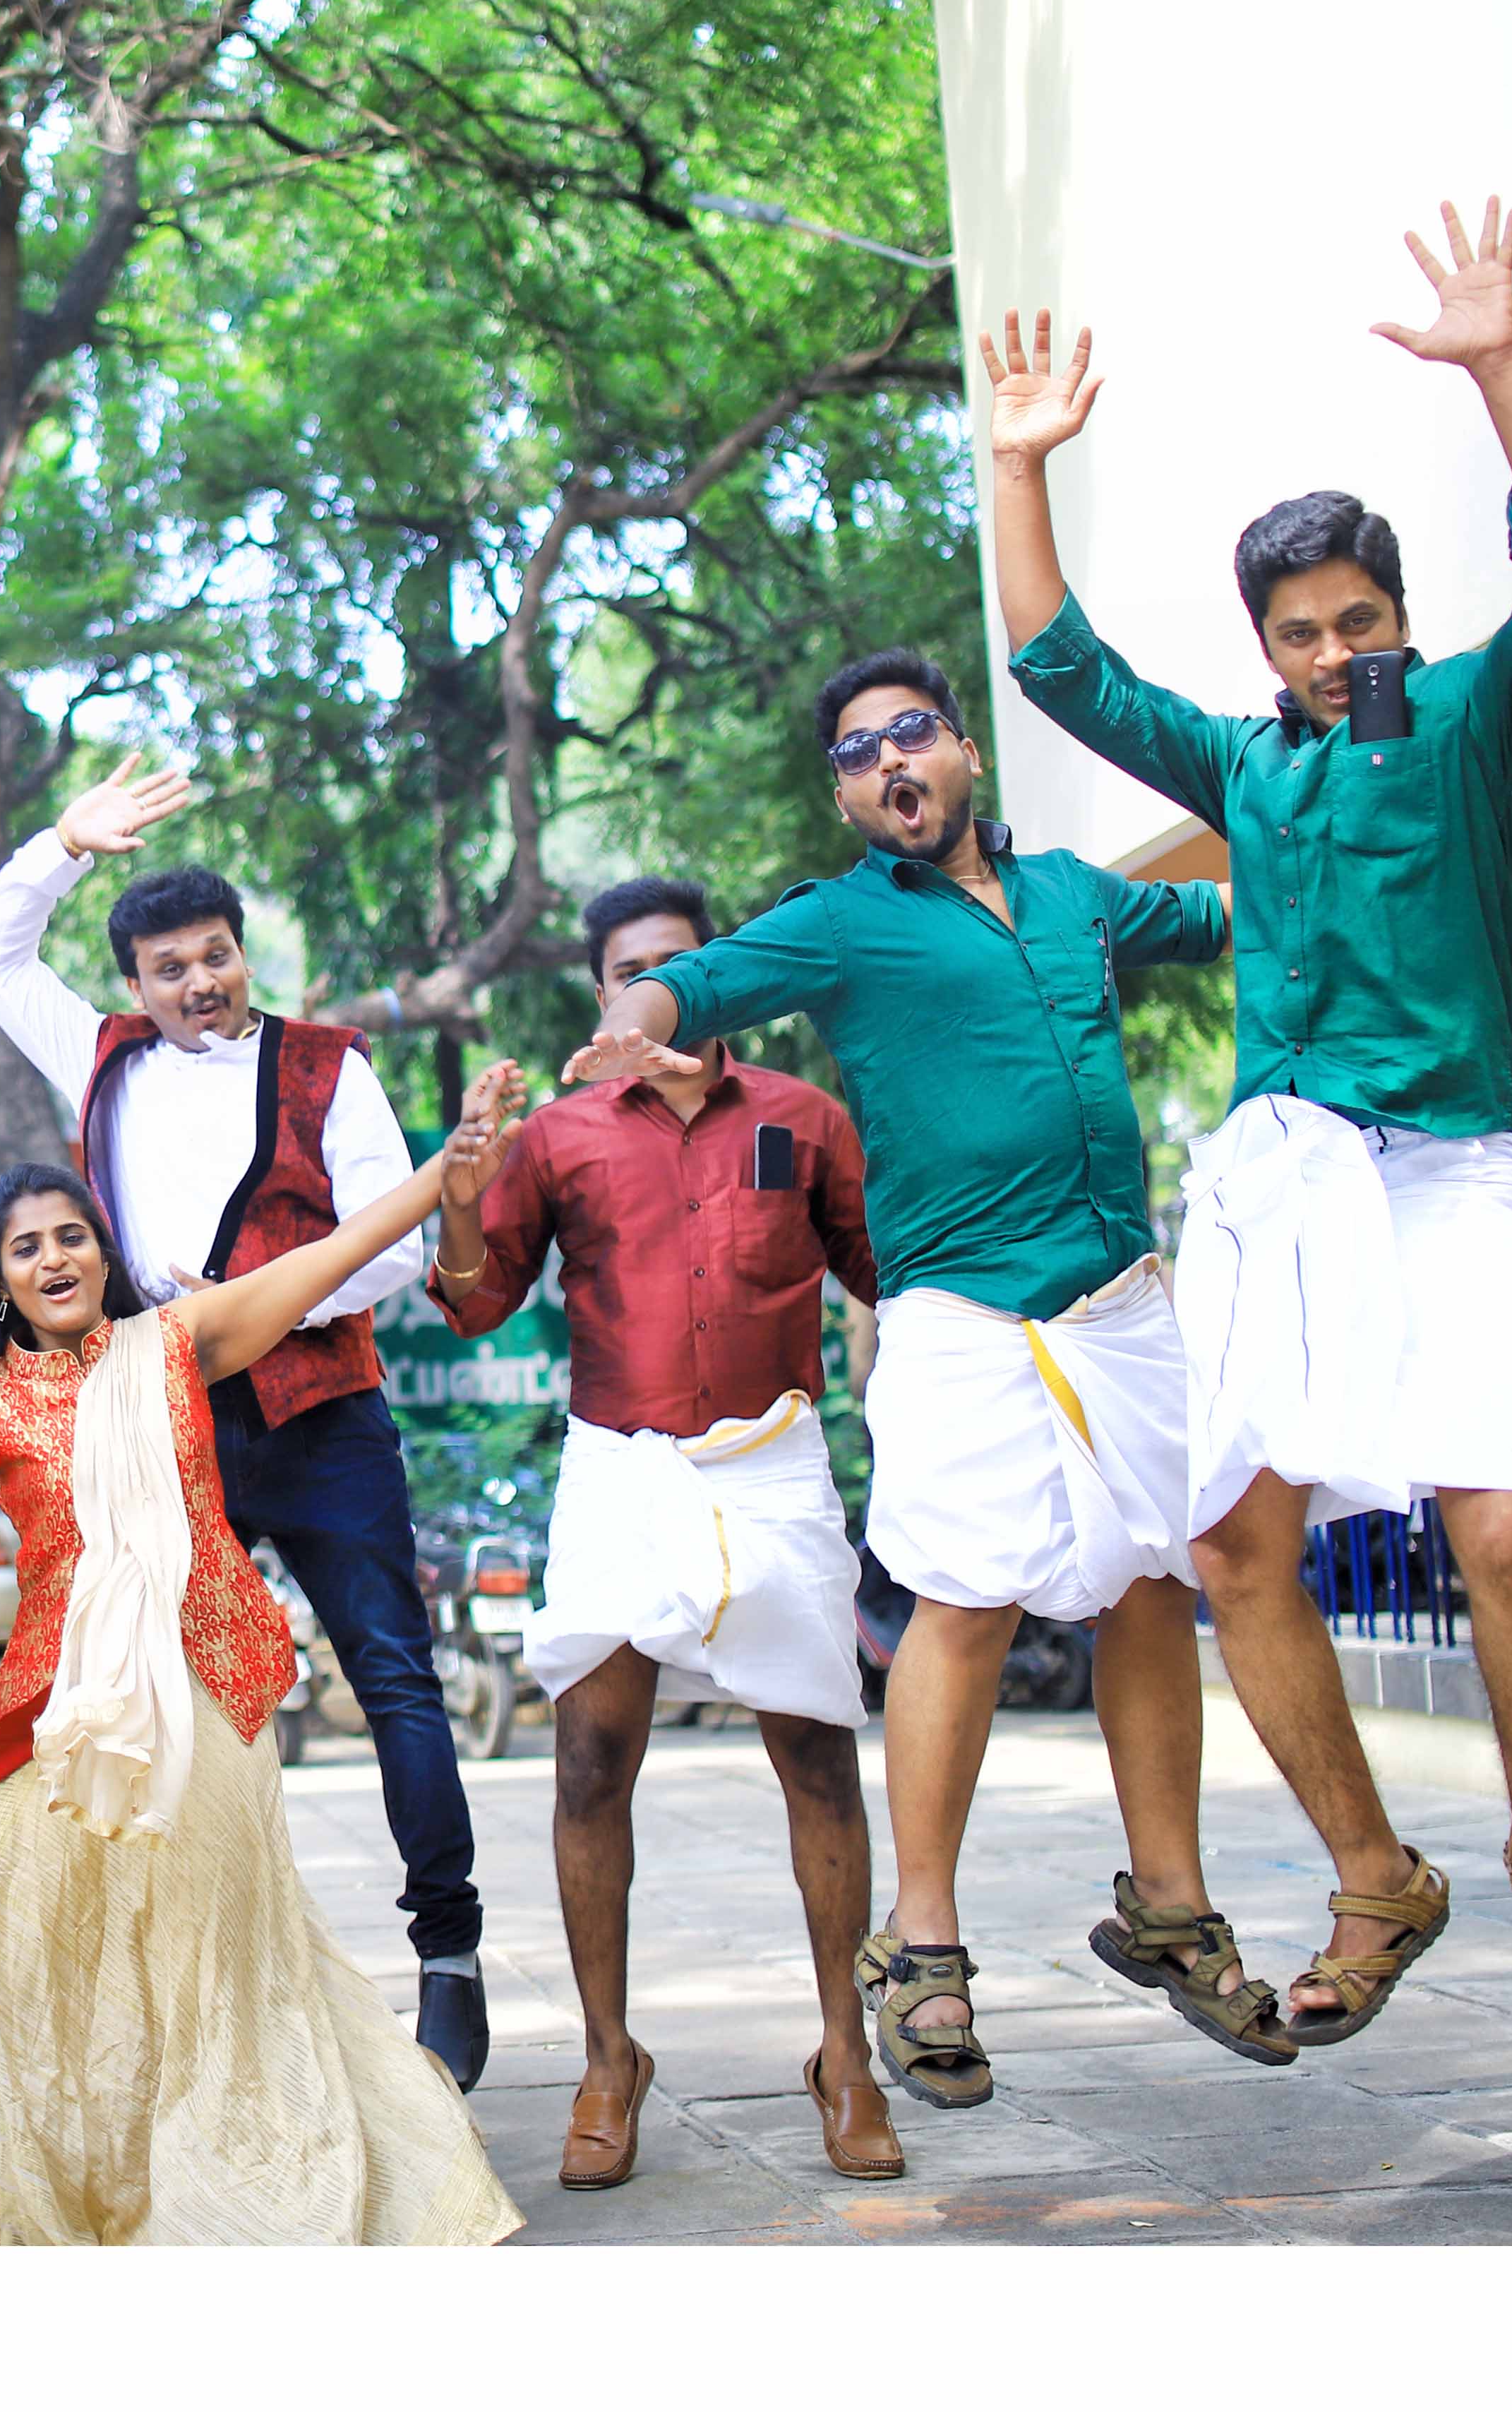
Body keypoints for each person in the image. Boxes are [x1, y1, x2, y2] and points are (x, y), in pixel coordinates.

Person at [982, 198, 1512, 2045]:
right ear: (1269, 648)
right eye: (1304, 630)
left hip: (1450, 1171)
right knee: (1236, 1546)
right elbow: (1060, 672)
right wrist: (1019, 469)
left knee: (1504, 1530)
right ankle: (1374, 1873)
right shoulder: (1246, 767)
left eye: (1361, 618)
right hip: (1281, 1189)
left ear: (1401, 620)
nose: (1336, 648)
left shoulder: (1470, 736)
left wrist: (1502, 363)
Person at [566, 646, 1292, 2107]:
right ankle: (926, 1948)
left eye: (910, 734)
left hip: (1122, 1308)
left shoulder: (1079, 894)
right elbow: (689, 983)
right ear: (847, 797)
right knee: (966, 1601)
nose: (889, 761)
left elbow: (1236, 912)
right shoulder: (840, 924)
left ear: (963, 747)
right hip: (959, 1316)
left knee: (1153, 1584)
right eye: (855, 753)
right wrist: (631, 1030)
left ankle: (1170, 1905)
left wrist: (1398, 855)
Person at [0, 1130, 524, 2246]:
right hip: (62, 1722)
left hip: (208, 1697)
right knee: (50, 1978)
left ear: (104, 1256)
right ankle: (97, 2195)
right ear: (2, 1278)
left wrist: (446, 1171)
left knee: (220, 1963)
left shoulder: (177, 1344)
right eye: (28, 1247)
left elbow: (332, 1254)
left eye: (73, 1236)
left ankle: (235, 2194)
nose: (54, 1257)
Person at [0, 758, 489, 2087]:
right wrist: (65, 843)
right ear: (133, 982)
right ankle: (199, 1977)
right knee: (165, 1696)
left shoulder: (327, 1068)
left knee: (395, 1680)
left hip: (321, 1412)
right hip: (166, 1424)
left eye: (217, 957)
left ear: (245, 955)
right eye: (170, 967)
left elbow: (387, 1241)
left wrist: (257, 1302)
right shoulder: (103, 1061)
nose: (199, 985)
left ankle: (451, 1955)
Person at [428, 877, 898, 2189]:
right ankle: (607, 2058)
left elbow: (887, 1269)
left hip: (772, 1469)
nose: (658, 984)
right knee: (589, 1765)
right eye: (632, 967)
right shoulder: (564, 1137)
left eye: (684, 964)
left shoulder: (807, 1123)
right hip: (620, 1471)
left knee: (815, 1758)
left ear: (724, 976)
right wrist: (463, 1194)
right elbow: (474, 1304)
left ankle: (844, 2056)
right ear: (601, 994)